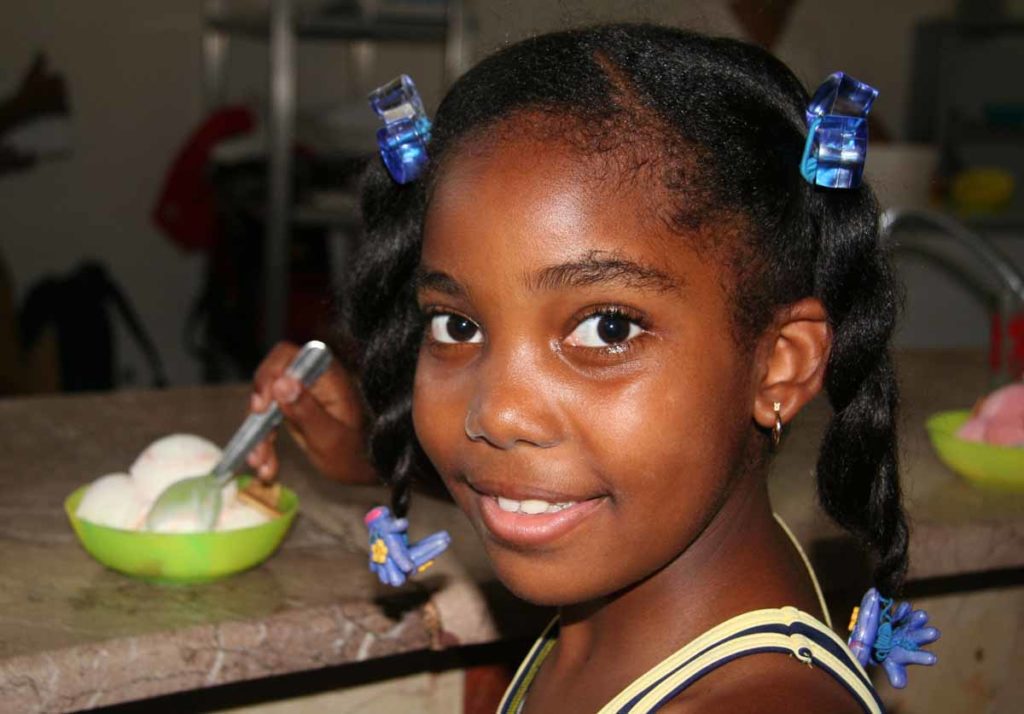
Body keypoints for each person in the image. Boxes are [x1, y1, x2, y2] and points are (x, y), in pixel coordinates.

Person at [250, 24, 940, 713]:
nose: (496, 413)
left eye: (607, 327)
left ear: (779, 365)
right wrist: (368, 457)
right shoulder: (640, 594)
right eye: (456, 325)